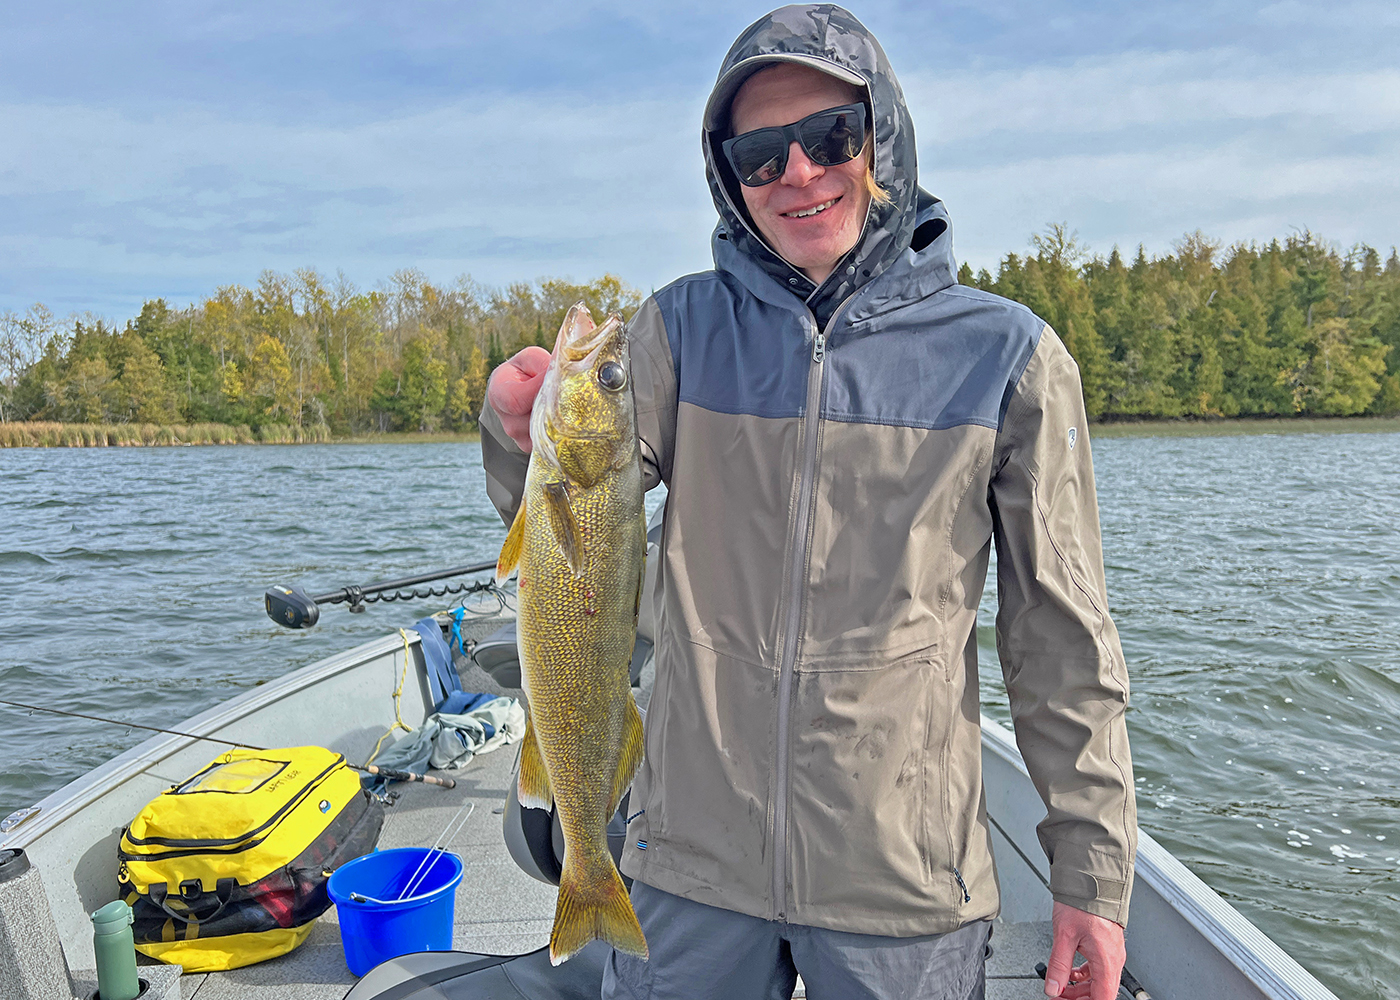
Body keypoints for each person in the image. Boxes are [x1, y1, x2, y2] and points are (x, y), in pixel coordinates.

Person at [481, 6, 1136, 999]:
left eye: (829, 137)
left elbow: (1060, 638)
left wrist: (1092, 873)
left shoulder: (1008, 357)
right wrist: (509, 427)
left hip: (903, 884)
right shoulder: (673, 330)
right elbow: (569, 533)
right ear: (725, 173)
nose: (796, 173)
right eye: (757, 153)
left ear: (882, 138)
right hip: (688, 862)